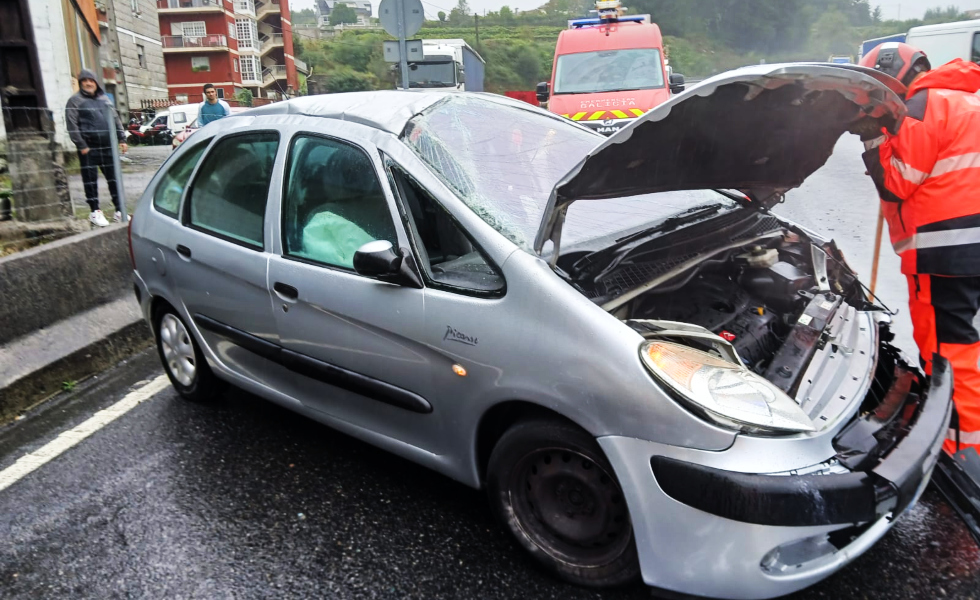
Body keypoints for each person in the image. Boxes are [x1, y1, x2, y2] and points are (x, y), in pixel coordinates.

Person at [855, 43, 980, 455]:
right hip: (970, 242)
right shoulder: (966, 96)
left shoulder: (924, 105)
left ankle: (959, 450)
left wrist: (875, 139)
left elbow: (898, 182)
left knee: (949, 351)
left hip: (947, 250)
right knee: (967, 339)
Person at [65, 69, 128, 227]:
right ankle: (95, 212)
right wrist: (81, 145)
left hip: (108, 147)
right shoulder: (74, 101)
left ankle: (119, 211)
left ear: (96, 82)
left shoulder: (105, 99)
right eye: (85, 81)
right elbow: (72, 125)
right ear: (80, 83)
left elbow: (115, 118)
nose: (88, 83)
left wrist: (122, 138)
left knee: (114, 179)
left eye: (91, 80)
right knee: (90, 181)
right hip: (89, 149)